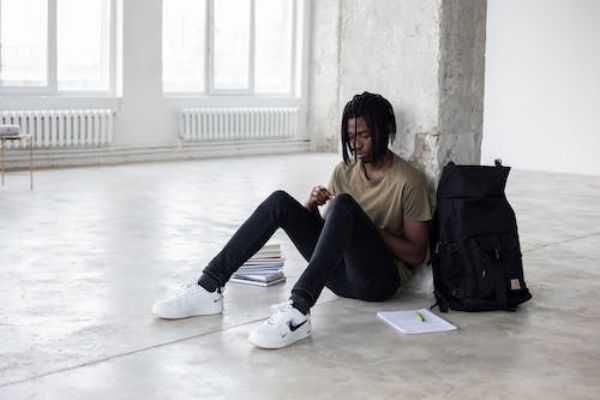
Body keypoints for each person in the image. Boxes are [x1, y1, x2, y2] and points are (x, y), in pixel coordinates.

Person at [152, 92, 432, 349]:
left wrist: (366, 225)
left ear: (384, 131)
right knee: (279, 202)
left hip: (377, 282)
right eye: (350, 137)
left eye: (364, 135)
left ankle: (298, 311)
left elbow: (416, 254)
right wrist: (311, 208)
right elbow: (329, 238)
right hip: (338, 277)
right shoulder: (344, 171)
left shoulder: (408, 180)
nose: (355, 144)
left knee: (343, 204)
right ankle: (209, 286)